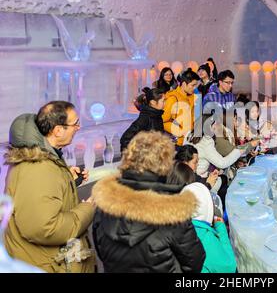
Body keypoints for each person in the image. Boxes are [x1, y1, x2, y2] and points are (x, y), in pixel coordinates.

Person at [92, 131, 206, 273]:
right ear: (165, 164)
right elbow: (195, 261)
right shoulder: (173, 212)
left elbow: (100, 251)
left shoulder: (104, 205)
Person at [4, 101, 96, 273]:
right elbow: (45, 228)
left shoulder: (44, 158)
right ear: (58, 130)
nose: (78, 127)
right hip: (47, 265)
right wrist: (87, 209)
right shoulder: (38, 169)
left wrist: (68, 179)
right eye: (75, 123)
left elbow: (45, 194)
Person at [185, 114, 247, 206]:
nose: (215, 126)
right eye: (213, 124)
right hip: (199, 179)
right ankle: (219, 208)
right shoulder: (206, 141)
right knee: (224, 179)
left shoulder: (189, 134)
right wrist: (239, 151)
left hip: (187, 176)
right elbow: (223, 163)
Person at [181, 182, 237, 273]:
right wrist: (220, 225)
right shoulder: (204, 236)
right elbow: (229, 267)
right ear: (207, 207)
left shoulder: (175, 228)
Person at [162, 68, 199, 146]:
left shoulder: (194, 97)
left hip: (191, 140)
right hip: (178, 143)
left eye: (196, 85)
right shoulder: (173, 98)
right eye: (193, 85)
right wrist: (179, 131)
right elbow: (163, 121)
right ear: (184, 84)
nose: (195, 88)